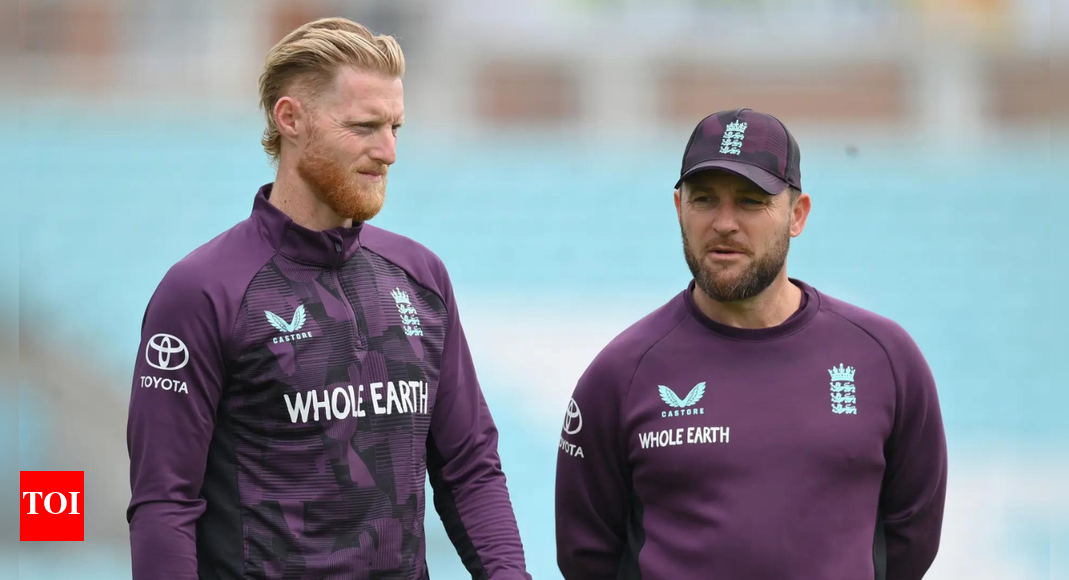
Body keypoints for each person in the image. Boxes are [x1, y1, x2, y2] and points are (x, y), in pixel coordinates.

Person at [126, 17, 530, 580]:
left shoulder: (421, 276)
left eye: (395, 127)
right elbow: (164, 504)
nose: (388, 152)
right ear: (290, 119)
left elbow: (470, 469)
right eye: (364, 127)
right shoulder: (202, 291)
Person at [555, 108, 947, 580]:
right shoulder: (621, 373)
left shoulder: (884, 358)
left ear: (797, 215)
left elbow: (911, 540)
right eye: (705, 199)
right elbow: (586, 556)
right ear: (679, 208)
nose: (724, 223)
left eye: (750, 201)